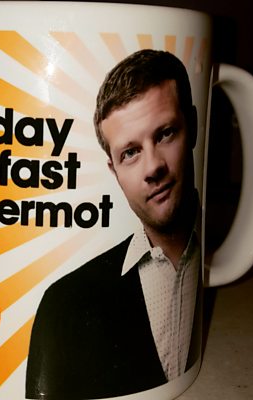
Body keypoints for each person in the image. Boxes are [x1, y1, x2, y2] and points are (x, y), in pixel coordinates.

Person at [25, 50, 202, 400]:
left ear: (193, 126)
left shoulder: (209, 259)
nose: (153, 167)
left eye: (166, 134)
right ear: (114, 170)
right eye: (130, 152)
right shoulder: (65, 304)